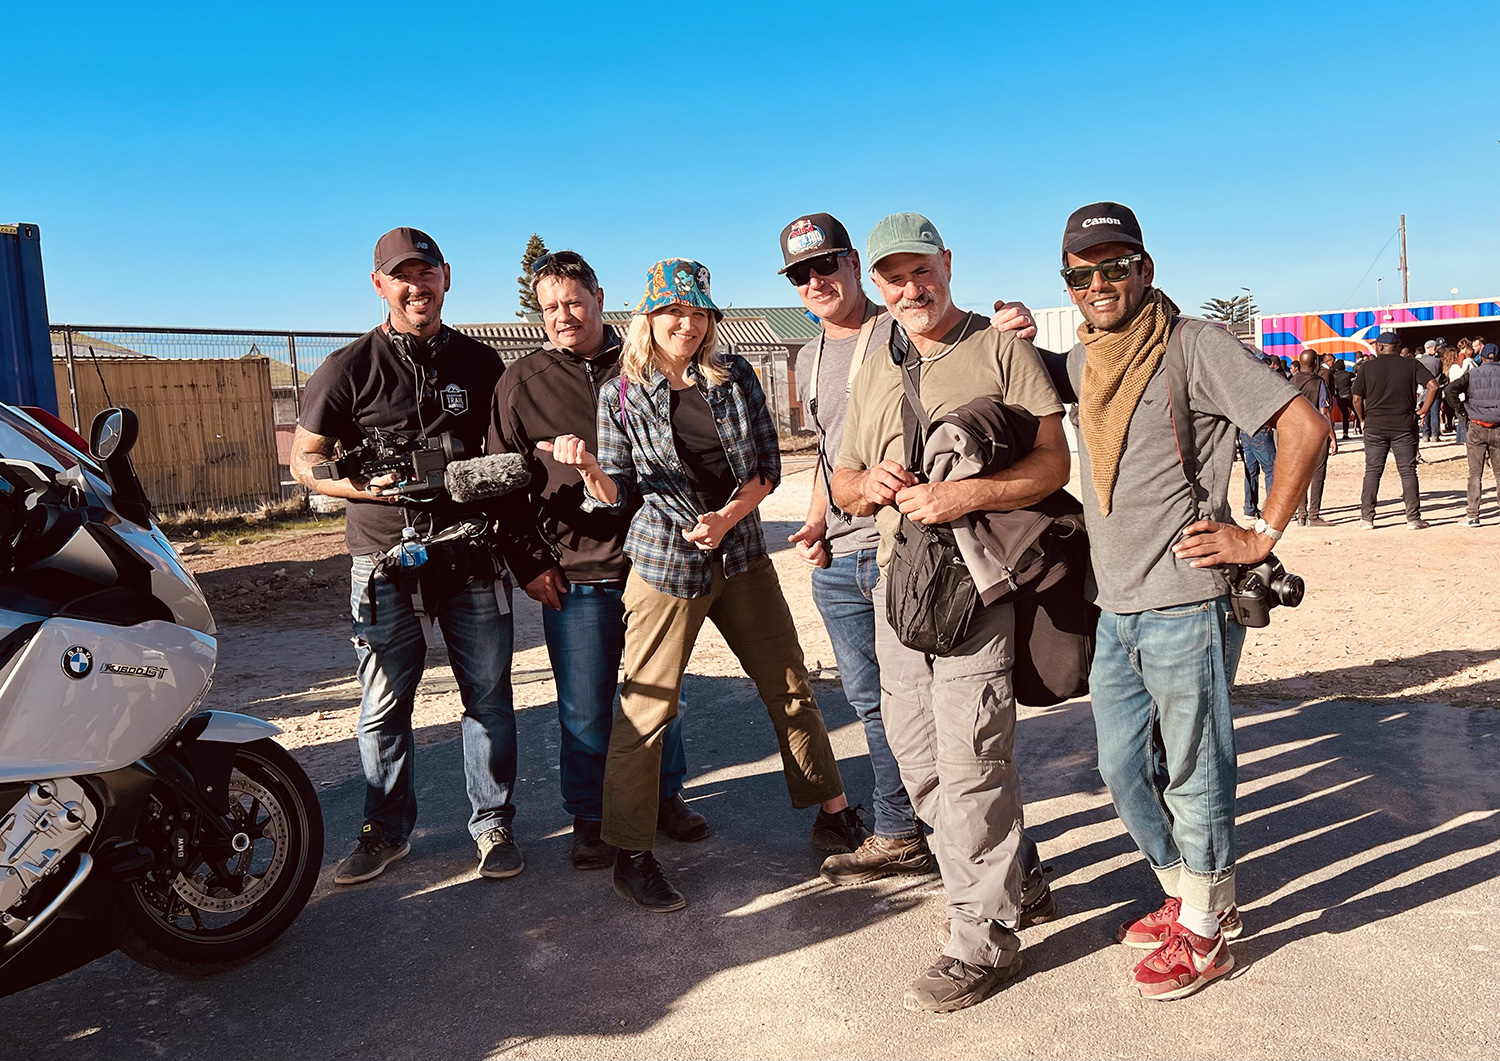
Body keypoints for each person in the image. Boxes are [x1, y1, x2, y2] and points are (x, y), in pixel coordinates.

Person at [1053, 201, 1326, 1001]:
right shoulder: (1083, 361)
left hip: (1185, 597)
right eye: (1081, 272)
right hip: (1117, 604)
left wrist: (1261, 533)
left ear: (1145, 269)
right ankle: (1193, 890)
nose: (1098, 283)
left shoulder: (1193, 345)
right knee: (1120, 764)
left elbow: (1301, 425)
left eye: (1113, 266)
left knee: (1197, 768)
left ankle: (1205, 933)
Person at [546, 259, 860, 913]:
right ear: (649, 319)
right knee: (646, 708)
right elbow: (614, 496)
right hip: (665, 565)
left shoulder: (734, 374)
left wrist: (726, 519)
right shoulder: (621, 394)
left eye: (696, 313)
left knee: (791, 688)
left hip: (741, 554)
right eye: (672, 313)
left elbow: (768, 467)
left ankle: (835, 814)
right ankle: (631, 856)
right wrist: (587, 470)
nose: (686, 324)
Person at [832, 213, 1069, 1013]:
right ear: (879, 283)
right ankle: (1017, 876)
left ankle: (984, 937)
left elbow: (1052, 461)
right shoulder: (875, 362)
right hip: (899, 584)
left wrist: (964, 492)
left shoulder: (1000, 348)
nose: (910, 289)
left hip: (976, 580)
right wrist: (870, 486)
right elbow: (841, 481)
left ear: (948, 264)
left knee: (972, 761)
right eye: (893, 277)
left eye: (921, 270)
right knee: (919, 760)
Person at [778, 212, 1038, 886]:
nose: (816, 280)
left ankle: (986, 879)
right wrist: (817, 521)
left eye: (826, 264)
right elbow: (836, 454)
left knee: (964, 745)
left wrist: (1010, 328)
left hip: (923, 556)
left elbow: (970, 349)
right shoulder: (809, 359)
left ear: (852, 268)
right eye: (801, 273)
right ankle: (904, 830)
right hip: (845, 551)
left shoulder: (901, 330)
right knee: (882, 710)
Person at [291, 228, 523, 884]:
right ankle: (384, 830)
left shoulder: (481, 365)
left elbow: (509, 454)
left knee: (488, 696)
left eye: (426, 273)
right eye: (401, 276)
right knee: (384, 704)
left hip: (468, 555)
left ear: (447, 277)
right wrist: (357, 483)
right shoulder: (347, 367)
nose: (415, 286)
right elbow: (303, 461)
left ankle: (494, 824)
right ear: (379, 285)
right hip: (382, 559)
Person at [487, 250, 707, 873]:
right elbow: (501, 487)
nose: (563, 316)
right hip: (575, 574)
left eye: (573, 302)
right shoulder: (521, 383)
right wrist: (529, 563)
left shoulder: (642, 363)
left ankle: (665, 797)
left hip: (651, 561)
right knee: (584, 705)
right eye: (550, 306)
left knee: (658, 694)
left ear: (600, 298)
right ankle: (589, 817)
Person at [1353, 330, 1439, 529]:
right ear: (1397, 347)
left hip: (1375, 425)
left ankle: (1367, 518)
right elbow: (1433, 386)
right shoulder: (1412, 365)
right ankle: (1413, 518)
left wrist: (1362, 418)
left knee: (1373, 472)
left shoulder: (1367, 368)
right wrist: (1424, 409)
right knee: (1408, 472)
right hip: (1404, 425)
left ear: (1381, 347)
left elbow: (1357, 398)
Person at [1445, 343, 1500, 527]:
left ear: (1482, 357)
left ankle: (1473, 515)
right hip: (1498, 426)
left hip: (1476, 425)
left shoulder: (1471, 375)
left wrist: (1461, 411)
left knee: (1475, 473)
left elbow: (1449, 390)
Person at [1289, 350, 1338, 525]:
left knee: (1299, 473)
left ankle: (1301, 514)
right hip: (1315, 433)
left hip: (1295, 433)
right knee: (1317, 473)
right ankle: (1313, 515)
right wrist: (1332, 436)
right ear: (1316, 363)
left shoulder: (1290, 381)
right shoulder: (1319, 383)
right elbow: (1324, 411)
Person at [1240, 424, 1275, 518]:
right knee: (1271, 471)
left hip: (1245, 431)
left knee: (1251, 471)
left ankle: (1249, 509)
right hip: (1260, 431)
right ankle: (1272, 509)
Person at [1417, 341, 1444, 441]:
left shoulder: (1419, 361)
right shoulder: (1437, 361)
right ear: (1432, 348)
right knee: (1434, 413)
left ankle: (1425, 434)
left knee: (1424, 412)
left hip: (1423, 390)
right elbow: (1440, 373)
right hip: (1435, 390)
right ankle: (1435, 435)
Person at [1326, 354, 1358, 439]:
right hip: (1349, 397)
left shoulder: (1334, 376)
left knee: (1345, 415)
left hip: (1340, 398)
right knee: (1358, 412)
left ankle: (1345, 433)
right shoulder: (1348, 374)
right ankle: (1361, 428)